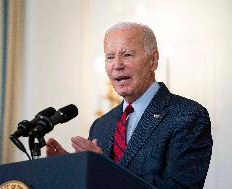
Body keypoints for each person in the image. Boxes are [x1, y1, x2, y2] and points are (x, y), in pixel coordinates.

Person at [46, 22, 213, 189]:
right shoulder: (101, 125)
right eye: (110, 57)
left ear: (153, 61)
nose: (117, 65)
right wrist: (75, 168)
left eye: (127, 55)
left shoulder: (188, 115)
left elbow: (181, 187)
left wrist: (104, 169)